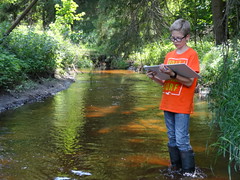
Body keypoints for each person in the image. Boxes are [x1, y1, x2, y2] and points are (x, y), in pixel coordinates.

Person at [147, 18, 200, 174]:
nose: (175, 41)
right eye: (173, 38)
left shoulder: (192, 55)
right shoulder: (169, 55)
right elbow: (166, 82)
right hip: (168, 102)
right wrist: (154, 77)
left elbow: (190, 83)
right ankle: (175, 169)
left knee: (182, 140)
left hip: (182, 104)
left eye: (179, 38)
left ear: (187, 37)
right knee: (171, 138)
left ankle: (189, 173)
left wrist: (173, 73)